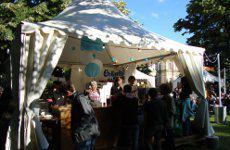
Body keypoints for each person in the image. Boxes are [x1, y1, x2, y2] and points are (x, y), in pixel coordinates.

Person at [118, 85, 139, 150]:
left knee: (126, 142)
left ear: (124, 90)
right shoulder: (135, 99)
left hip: (126, 123)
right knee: (135, 141)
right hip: (135, 122)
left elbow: (116, 106)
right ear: (130, 90)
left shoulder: (122, 99)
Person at [160, 84, 176, 150]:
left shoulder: (169, 98)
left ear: (164, 90)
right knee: (166, 136)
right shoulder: (164, 98)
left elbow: (172, 111)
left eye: (161, 89)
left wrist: (166, 114)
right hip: (165, 121)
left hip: (168, 121)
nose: (160, 91)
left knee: (169, 136)